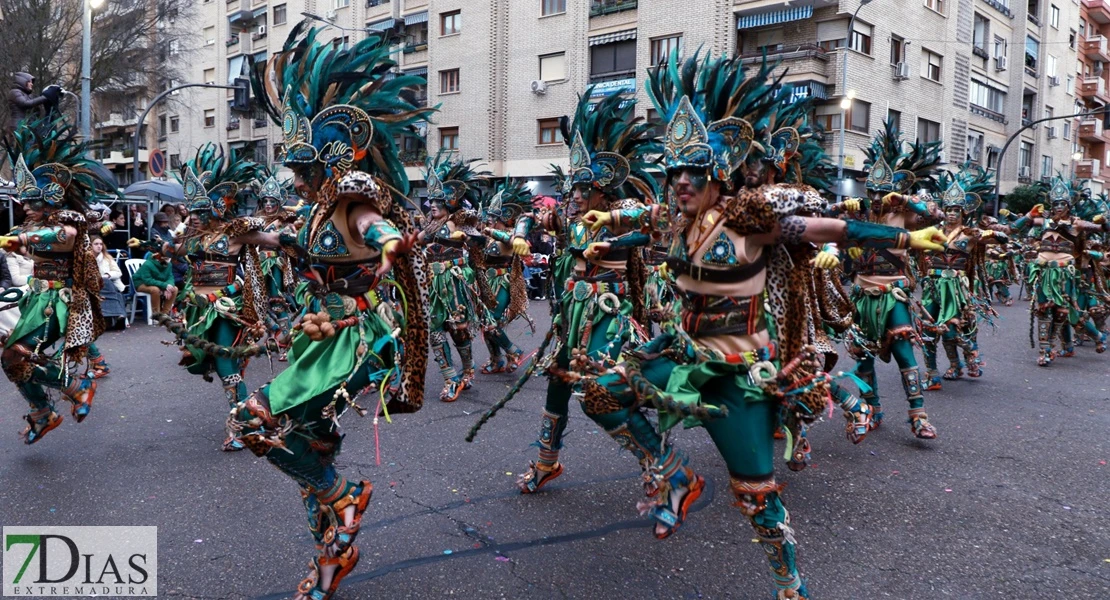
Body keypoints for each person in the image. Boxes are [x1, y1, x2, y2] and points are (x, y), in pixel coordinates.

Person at [592, 52, 947, 599]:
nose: (681, 183)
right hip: (682, 356)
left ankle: (791, 587)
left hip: (737, 370)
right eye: (673, 173)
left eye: (694, 173)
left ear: (717, 177)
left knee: (756, 490)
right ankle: (675, 476)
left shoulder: (748, 221)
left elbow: (825, 225)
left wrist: (903, 238)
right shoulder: (673, 222)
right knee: (601, 394)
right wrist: (609, 223)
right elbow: (644, 225)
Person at [231, 24, 431, 599]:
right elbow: (288, 244)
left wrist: (392, 245)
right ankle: (333, 553)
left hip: (355, 338)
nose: (295, 179)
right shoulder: (314, 212)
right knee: (311, 440)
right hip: (317, 339)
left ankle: (344, 499)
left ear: (329, 167)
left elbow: (378, 227)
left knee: (254, 422)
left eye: (304, 169)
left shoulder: (349, 203)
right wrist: (250, 234)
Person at [510, 90, 705, 541]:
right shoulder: (567, 216)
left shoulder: (618, 213)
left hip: (609, 313)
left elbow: (652, 230)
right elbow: (529, 218)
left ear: (602, 189)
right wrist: (520, 235)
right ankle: (546, 460)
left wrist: (612, 242)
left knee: (602, 394)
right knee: (559, 379)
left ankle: (661, 465)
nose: (576, 196)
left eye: (585, 188)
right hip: (573, 315)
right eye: (573, 188)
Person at [130, 143, 266, 451]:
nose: (193, 216)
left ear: (217, 208)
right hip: (199, 310)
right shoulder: (192, 239)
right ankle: (250, 416)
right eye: (192, 211)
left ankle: (243, 425)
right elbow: (171, 250)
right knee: (221, 364)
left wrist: (298, 243)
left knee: (225, 365)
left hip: (227, 308)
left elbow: (270, 243)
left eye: (200, 211)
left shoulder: (234, 234)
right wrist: (145, 244)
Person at [0, 117, 115, 444]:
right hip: (34, 301)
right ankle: (43, 411)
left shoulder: (68, 227)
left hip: (59, 304)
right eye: (22, 200)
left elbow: (60, 237)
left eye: (31, 200)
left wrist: (11, 242)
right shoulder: (27, 227)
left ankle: (77, 386)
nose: (24, 207)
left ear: (50, 198)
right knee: (10, 360)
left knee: (14, 353)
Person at [840, 118, 944, 440]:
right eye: (872, 190)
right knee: (862, 356)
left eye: (883, 191)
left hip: (893, 294)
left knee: (904, 354)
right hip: (860, 294)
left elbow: (936, 215)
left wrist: (904, 200)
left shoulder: (903, 213)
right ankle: (872, 410)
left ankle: (918, 416)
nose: (876, 196)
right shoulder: (858, 213)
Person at [416, 153, 492, 402]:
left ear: (450, 202)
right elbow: (412, 246)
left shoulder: (461, 221)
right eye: (431, 200)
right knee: (435, 332)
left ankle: (468, 370)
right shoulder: (427, 227)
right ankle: (450, 378)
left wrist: (465, 238)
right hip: (431, 282)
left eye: (438, 200)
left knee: (458, 330)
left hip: (455, 279)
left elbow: (482, 241)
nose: (433, 204)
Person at [475, 176, 534, 373]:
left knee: (491, 320)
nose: (489, 220)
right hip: (486, 281)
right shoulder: (487, 236)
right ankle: (497, 359)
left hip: (503, 281)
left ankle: (513, 350)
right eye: (488, 217)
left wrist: (490, 232)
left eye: (493, 218)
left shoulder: (511, 234)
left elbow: (509, 240)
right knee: (489, 323)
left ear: (502, 219)